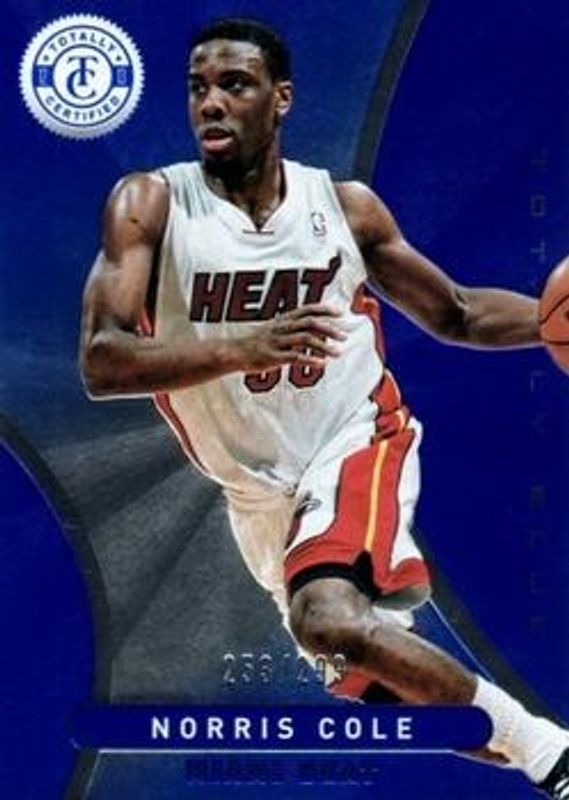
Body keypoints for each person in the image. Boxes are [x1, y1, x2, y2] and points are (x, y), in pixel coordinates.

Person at [79, 17, 568, 797]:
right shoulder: (150, 205)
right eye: (198, 88)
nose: (210, 103)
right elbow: (102, 361)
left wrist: (550, 327)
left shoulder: (343, 208)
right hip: (255, 495)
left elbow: (458, 311)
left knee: (328, 619)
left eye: (233, 85)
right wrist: (243, 346)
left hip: (355, 438)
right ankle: (549, 755)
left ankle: (554, 757)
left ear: (280, 99)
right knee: (386, 686)